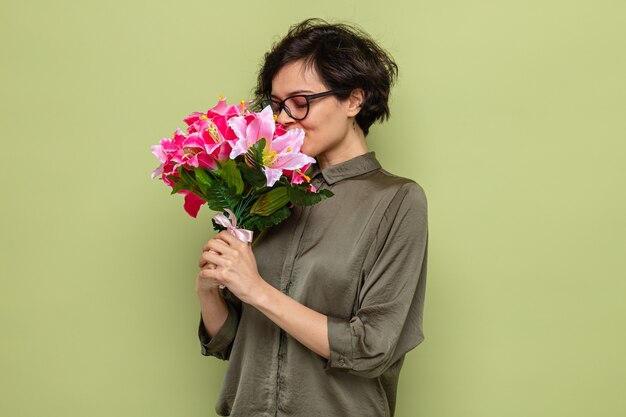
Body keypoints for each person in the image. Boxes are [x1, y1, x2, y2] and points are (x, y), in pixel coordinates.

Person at [196, 18, 428, 417]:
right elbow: (234, 344)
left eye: (300, 102)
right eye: (276, 105)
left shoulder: (398, 200)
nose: (284, 118)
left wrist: (256, 290)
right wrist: (208, 290)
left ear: (354, 99)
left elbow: (372, 347)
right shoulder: (263, 194)